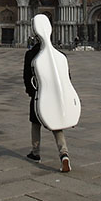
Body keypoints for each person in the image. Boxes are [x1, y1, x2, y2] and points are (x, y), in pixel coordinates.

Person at [23, 36, 71, 172]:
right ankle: (64, 154)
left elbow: (27, 77)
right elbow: (66, 78)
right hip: (55, 95)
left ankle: (35, 152)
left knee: (35, 123)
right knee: (56, 124)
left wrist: (31, 92)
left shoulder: (31, 54)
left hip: (39, 94)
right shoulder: (59, 55)